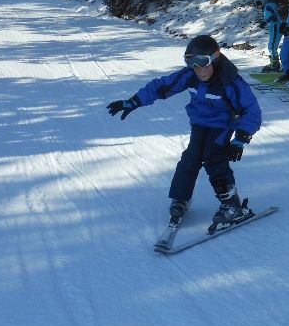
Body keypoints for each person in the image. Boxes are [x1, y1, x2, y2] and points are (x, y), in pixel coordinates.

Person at [107, 35, 262, 231]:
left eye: (204, 62)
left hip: (222, 126)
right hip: (200, 124)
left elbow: (252, 111)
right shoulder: (190, 76)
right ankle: (181, 198)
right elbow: (161, 86)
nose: (199, 69)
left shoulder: (230, 82)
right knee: (191, 158)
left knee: (214, 158)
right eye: (192, 63)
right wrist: (134, 101)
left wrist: (240, 138)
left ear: (215, 59)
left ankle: (232, 205)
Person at [255, 0, 282, 72]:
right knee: (271, 45)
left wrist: (266, 21)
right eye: (257, 4)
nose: (258, 6)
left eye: (259, 3)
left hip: (275, 27)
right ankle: (274, 63)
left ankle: (275, 64)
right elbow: (271, 16)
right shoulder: (267, 7)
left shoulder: (268, 7)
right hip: (273, 27)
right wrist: (265, 22)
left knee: (272, 46)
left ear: (263, 2)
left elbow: (273, 15)